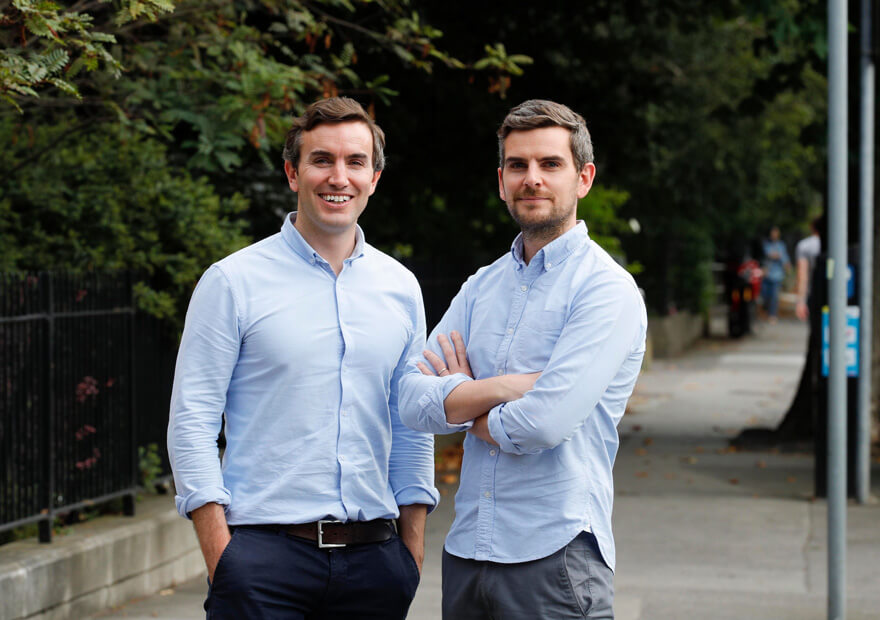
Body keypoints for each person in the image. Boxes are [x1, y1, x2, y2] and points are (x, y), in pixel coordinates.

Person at [167, 97, 436, 619]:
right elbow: (192, 420)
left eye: (356, 162)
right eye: (322, 160)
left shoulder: (401, 288)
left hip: (376, 562)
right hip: (261, 564)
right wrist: (223, 559)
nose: (339, 177)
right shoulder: (232, 282)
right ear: (293, 172)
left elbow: (411, 423)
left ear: (374, 177)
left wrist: (411, 551)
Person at [399, 100, 647, 619]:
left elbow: (543, 424)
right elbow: (410, 402)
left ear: (583, 178)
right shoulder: (480, 287)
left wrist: (463, 402)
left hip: (556, 556)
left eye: (549, 164)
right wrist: (510, 387)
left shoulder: (605, 290)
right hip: (468, 552)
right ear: (501, 180)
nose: (531, 178)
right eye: (518, 165)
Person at [760, 226, 791, 323]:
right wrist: (777, 255)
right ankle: (765, 311)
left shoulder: (781, 245)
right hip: (767, 274)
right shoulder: (766, 244)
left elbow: (784, 257)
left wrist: (787, 267)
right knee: (765, 295)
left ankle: (772, 315)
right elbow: (768, 254)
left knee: (774, 296)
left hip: (777, 275)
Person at [794, 217, 822, 321]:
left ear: (812, 227)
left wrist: (801, 301)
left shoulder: (805, 245)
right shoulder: (837, 244)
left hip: (814, 293)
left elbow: (802, 275)